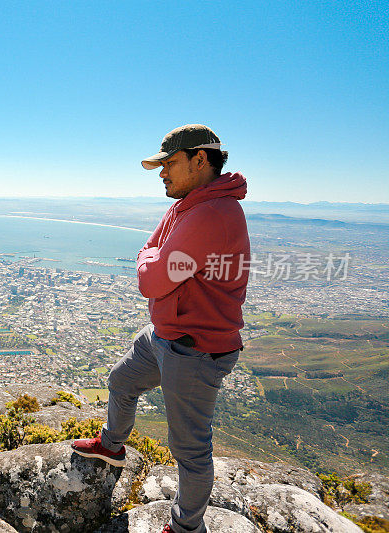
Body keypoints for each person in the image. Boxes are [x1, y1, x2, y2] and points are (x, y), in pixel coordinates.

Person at [71, 124, 250, 533]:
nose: (162, 173)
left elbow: (150, 277)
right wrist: (151, 259)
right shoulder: (186, 205)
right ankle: (112, 446)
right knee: (121, 380)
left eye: (169, 163)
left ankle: (188, 528)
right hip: (165, 336)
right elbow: (148, 252)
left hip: (195, 348)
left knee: (189, 451)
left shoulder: (211, 213)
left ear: (199, 160)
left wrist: (151, 260)